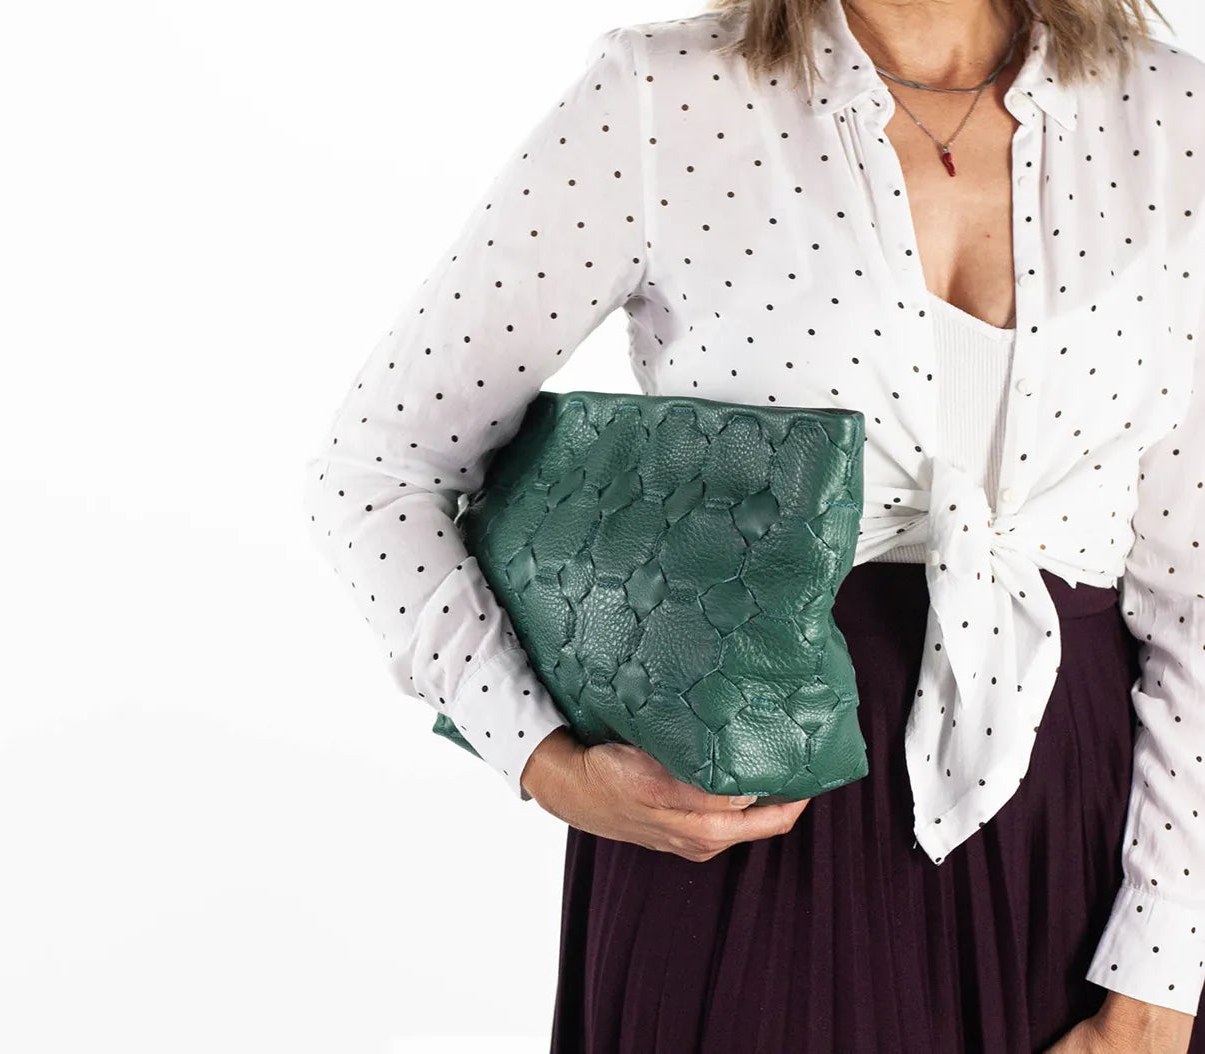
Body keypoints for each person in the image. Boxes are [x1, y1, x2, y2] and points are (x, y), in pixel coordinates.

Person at [302, 0, 1205, 1049]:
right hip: (743, 821)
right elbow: (376, 471)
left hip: (1087, 833)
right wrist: (546, 761)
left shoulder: (1174, 116)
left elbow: (1195, 593)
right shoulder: (663, 96)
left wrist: (1156, 990)